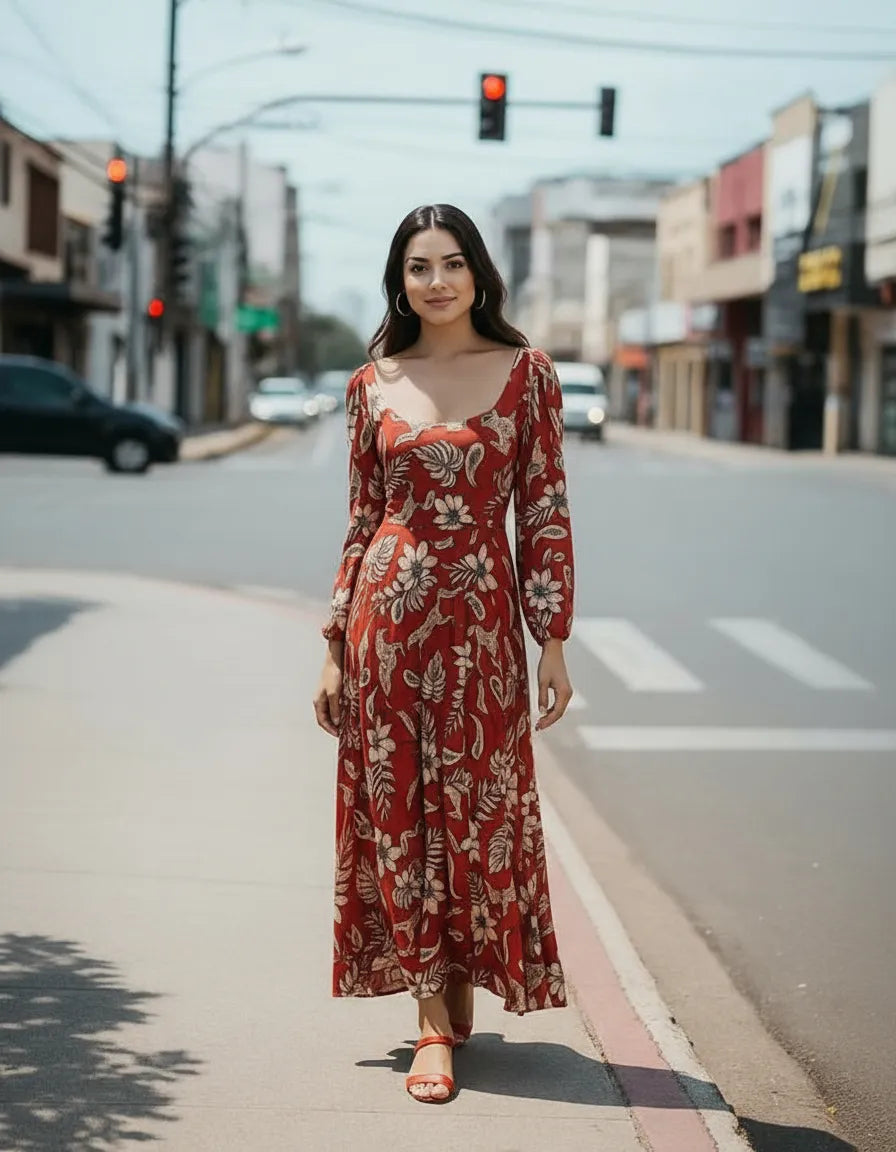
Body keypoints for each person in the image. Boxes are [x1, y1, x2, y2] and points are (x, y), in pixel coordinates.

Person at [314, 203, 575, 1104]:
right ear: (400, 281)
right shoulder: (371, 384)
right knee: (400, 817)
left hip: (482, 634)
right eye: (419, 267)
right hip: (386, 626)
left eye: (452, 264)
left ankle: (458, 979)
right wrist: (334, 647)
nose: (436, 281)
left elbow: (543, 509)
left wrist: (552, 640)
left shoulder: (527, 374)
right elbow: (361, 520)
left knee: (474, 813)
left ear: (479, 275)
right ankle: (431, 1022)